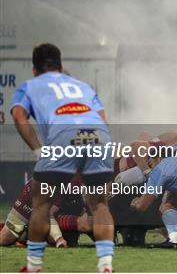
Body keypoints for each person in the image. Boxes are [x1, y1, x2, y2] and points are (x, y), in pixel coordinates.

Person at [10, 43, 115, 272]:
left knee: (42, 204)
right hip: (99, 136)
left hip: (62, 136)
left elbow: (19, 117)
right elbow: (103, 119)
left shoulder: (30, 85)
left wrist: (38, 150)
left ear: (34, 70)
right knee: (99, 204)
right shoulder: (83, 87)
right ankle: (106, 266)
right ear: (61, 65)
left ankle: (34, 266)